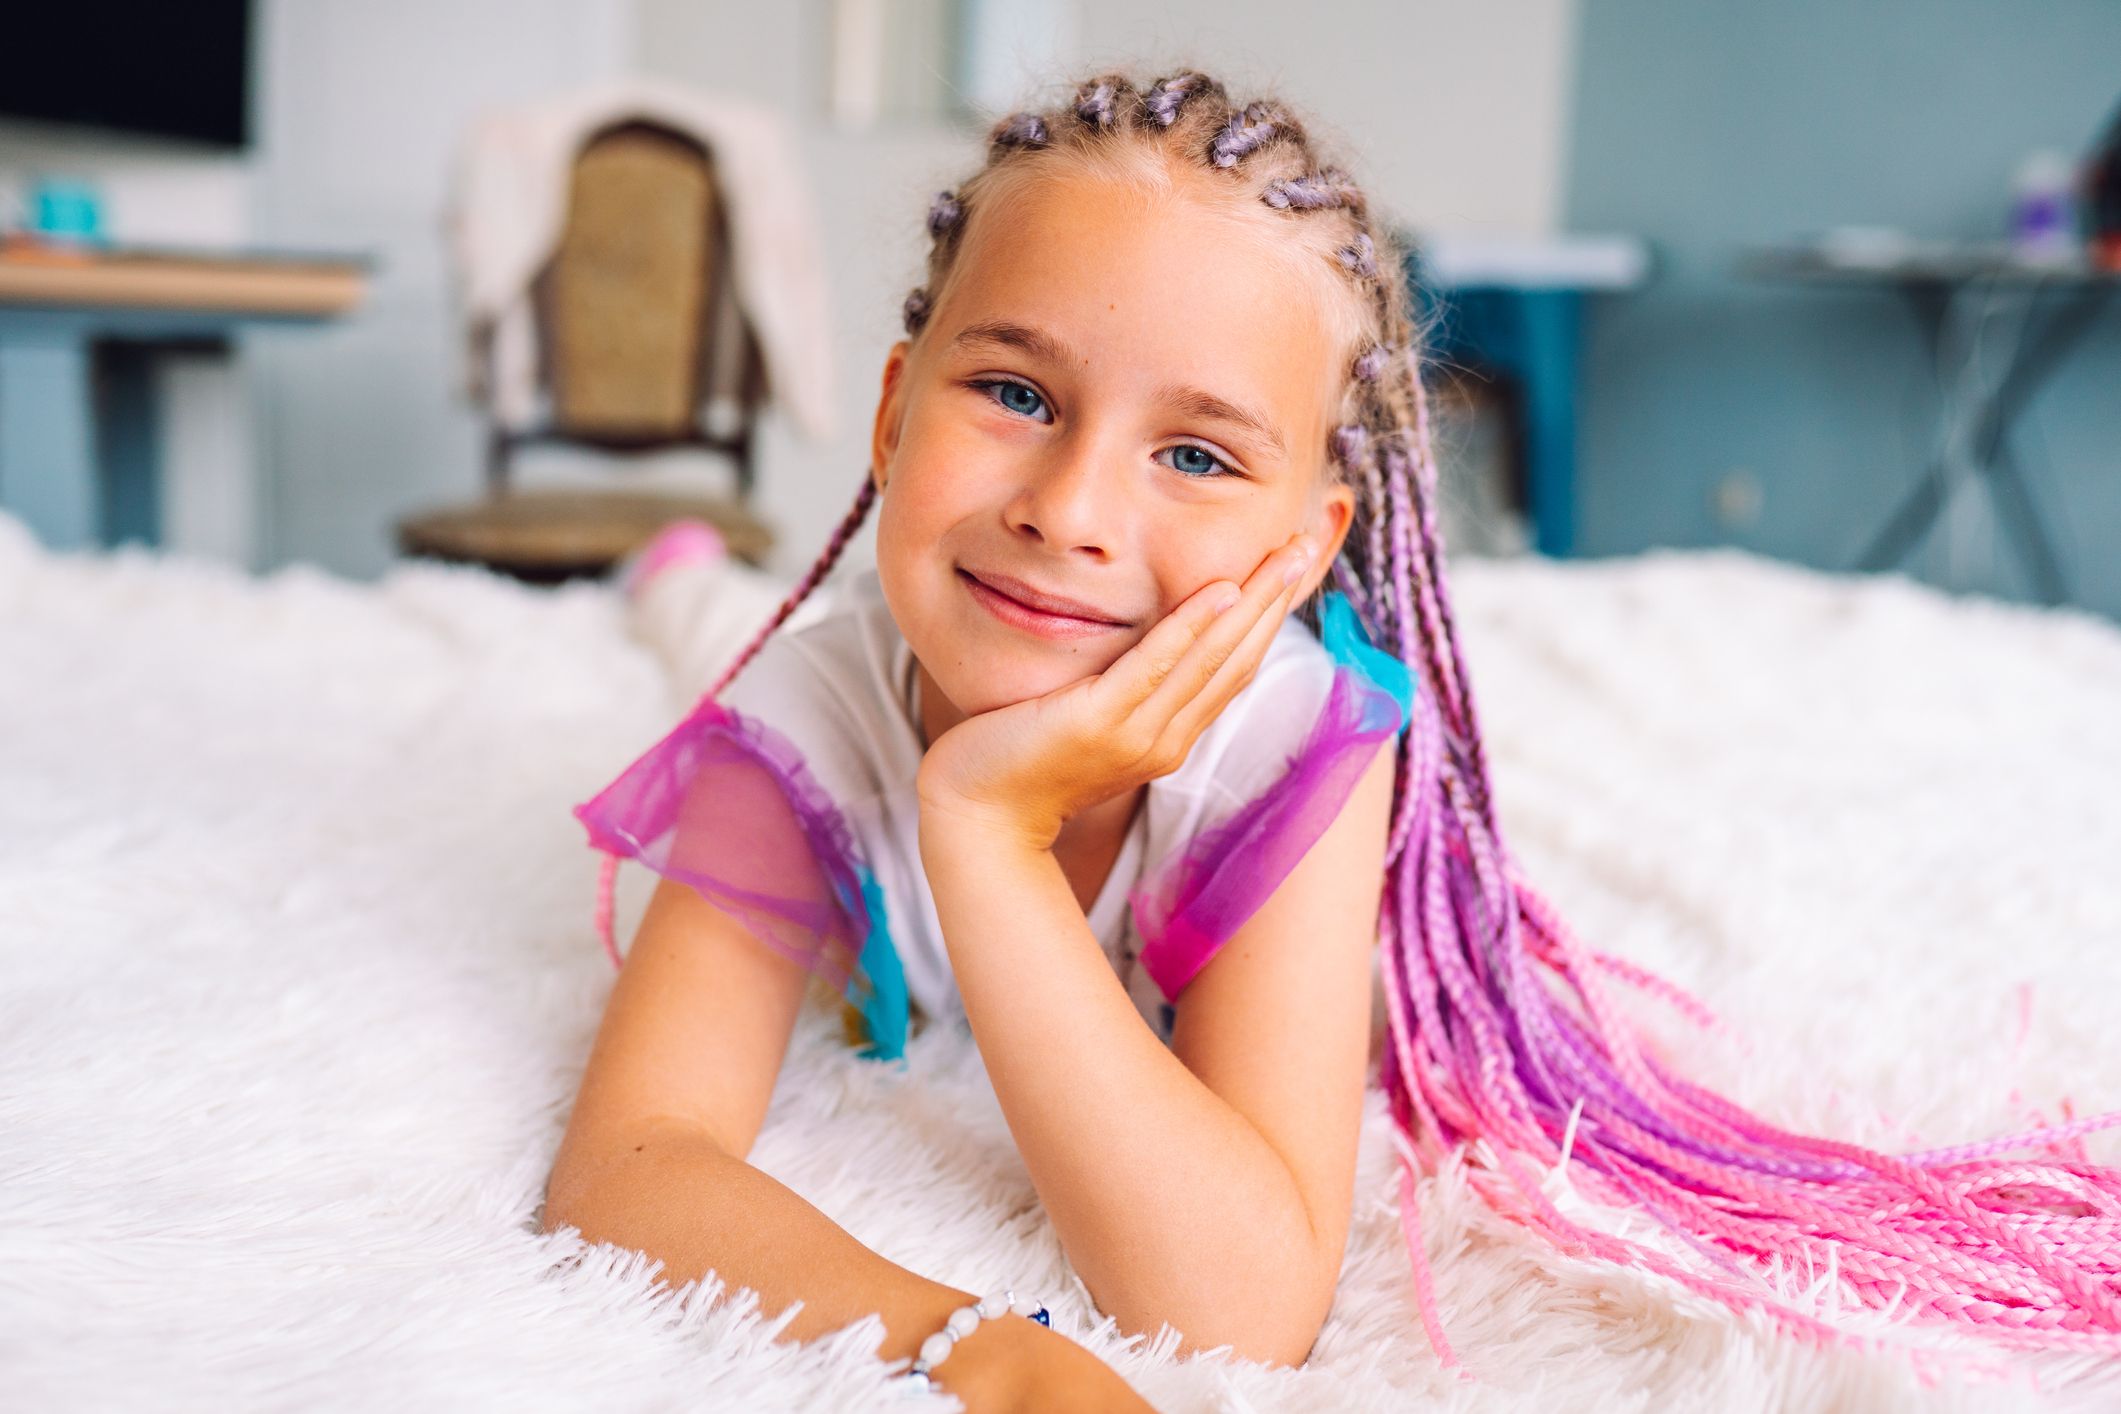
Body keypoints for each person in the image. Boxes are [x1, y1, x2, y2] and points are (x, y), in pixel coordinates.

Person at [542, 65, 2121, 1408]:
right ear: (891, 417)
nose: (1068, 511)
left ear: (1306, 547)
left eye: (1193, 453)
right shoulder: (798, 724)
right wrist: (960, 1346)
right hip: (823, 656)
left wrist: (982, 832)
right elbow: (628, 1161)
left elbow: (1238, 1299)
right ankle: (676, 579)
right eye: (1013, 392)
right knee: (711, 634)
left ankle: (683, 577)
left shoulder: (1293, 743)